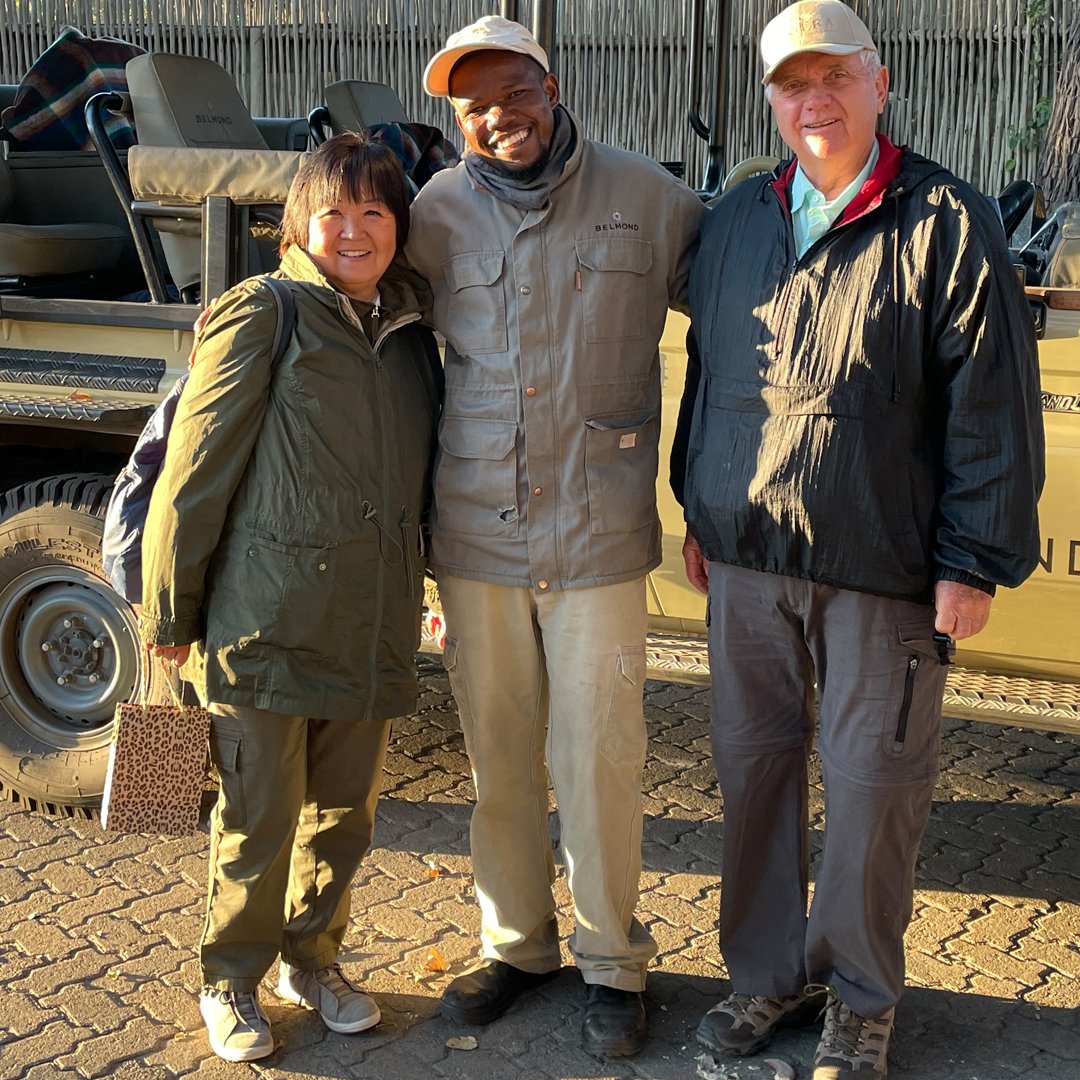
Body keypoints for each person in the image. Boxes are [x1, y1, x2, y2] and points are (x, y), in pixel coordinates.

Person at [671, 2, 1044, 1077]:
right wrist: (695, 509)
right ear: (774, 101)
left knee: (876, 792)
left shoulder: (942, 220)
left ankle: (863, 998)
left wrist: (972, 560)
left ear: (881, 84)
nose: (815, 100)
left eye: (835, 77)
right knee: (752, 779)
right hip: (746, 561)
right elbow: (708, 375)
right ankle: (765, 978)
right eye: (793, 84)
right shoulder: (739, 218)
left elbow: (993, 404)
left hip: (881, 566)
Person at [405, 15, 704, 1058]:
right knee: (498, 765)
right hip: (477, 534)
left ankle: (614, 963)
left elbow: (738, 318)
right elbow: (377, 352)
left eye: (513, 93)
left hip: (599, 537)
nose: (499, 118)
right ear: (458, 118)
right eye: (474, 104)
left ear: (552, 84)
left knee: (600, 761)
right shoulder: (432, 211)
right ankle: (517, 946)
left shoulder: (650, 200)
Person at [139, 133, 442, 1063]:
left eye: (375, 212)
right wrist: (167, 615)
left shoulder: (410, 337)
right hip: (262, 622)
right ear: (297, 225)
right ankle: (228, 977)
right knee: (258, 815)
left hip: (367, 623)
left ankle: (312, 959)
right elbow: (191, 477)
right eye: (333, 212)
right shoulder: (261, 313)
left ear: (399, 227)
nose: (353, 231)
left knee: (342, 816)